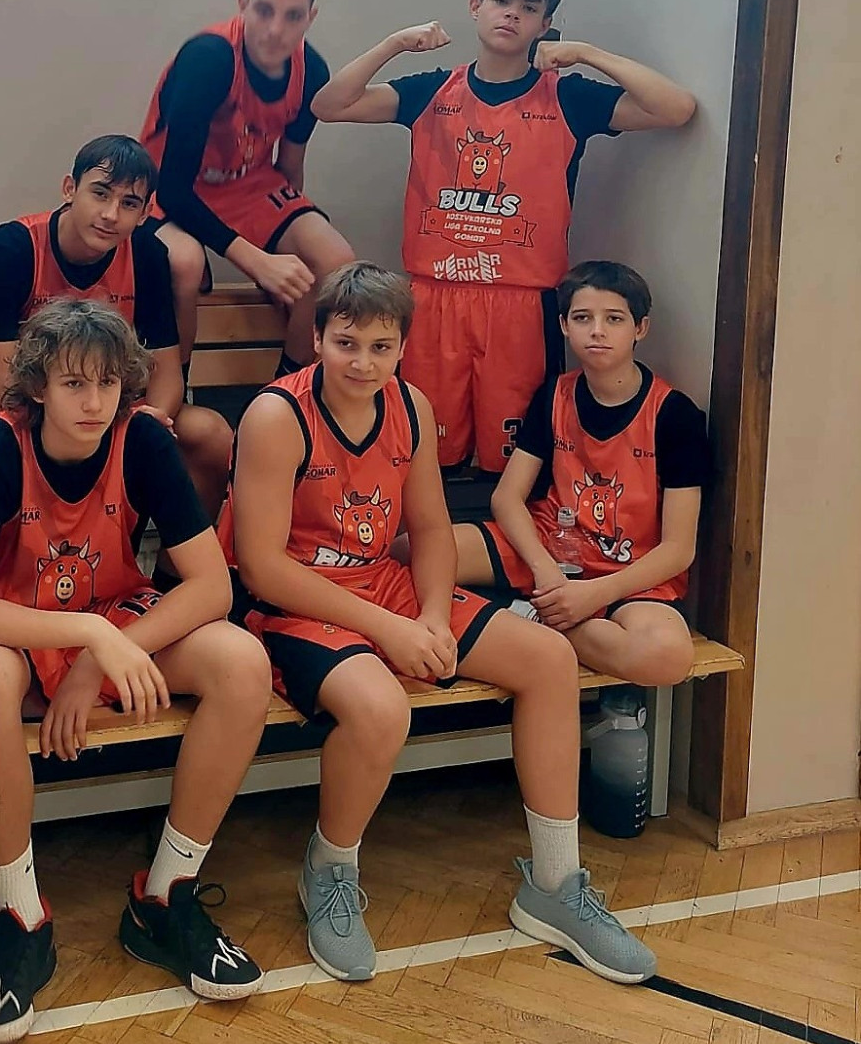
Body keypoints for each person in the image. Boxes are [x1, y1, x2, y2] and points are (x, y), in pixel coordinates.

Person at [227, 260, 656, 984]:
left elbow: (429, 529)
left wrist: (431, 615)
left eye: (381, 347)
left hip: (384, 584)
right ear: (317, 339)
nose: (362, 363)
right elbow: (262, 566)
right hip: (297, 599)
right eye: (346, 344)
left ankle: (555, 885)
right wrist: (390, 629)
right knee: (380, 709)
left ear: (402, 347)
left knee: (550, 659)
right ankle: (330, 870)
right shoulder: (276, 415)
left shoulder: (411, 406)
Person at [0, 298, 272, 1044]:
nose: (94, 402)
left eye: (108, 384)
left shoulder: (140, 439)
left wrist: (99, 655)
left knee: (243, 663)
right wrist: (87, 634)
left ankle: (164, 896)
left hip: (112, 620)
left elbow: (212, 587)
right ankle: (20, 917)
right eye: (74, 384)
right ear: (38, 387)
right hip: (17, 624)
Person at [311, 0, 696, 472]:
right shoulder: (433, 91)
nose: (512, 14)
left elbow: (676, 108)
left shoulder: (568, 97)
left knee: (512, 461)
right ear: (476, 6)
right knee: (424, 454)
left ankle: (503, 525)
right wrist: (394, 44)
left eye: (529, 8)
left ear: (544, 24)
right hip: (434, 296)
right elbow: (329, 105)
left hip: (522, 304)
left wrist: (586, 53)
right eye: (501, 0)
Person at [456, 261, 709, 687]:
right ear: (564, 326)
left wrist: (592, 595)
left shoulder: (674, 414)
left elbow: (678, 549)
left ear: (640, 328)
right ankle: (536, 614)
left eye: (614, 319)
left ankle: (531, 622)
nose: (597, 331)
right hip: (549, 550)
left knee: (665, 658)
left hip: (628, 572)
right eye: (582, 318)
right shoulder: (556, 393)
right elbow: (507, 498)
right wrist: (547, 573)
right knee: (417, 553)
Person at [0, 134, 232, 514]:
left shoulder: (147, 254)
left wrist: (150, 418)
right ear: (69, 189)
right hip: (32, 414)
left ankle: (179, 552)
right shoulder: (10, 250)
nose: (111, 214)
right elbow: (2, 388)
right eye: (100, 193)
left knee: (212, 434)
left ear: (145, 213)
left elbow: (166, 371)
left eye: (129, 203)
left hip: (114, 409)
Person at [138, 0, 354, 372]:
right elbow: (174, 189)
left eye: (293, 16)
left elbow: (289, 167)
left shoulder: (312, 71)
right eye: (264, 10)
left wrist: (283, 236)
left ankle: (289, 389)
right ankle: (176, 386)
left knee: (334, 261)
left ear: (311, 17)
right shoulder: (209, 58)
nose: (275, 30)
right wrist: (258, 261)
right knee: (185, 263)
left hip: (246, 182)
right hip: (169, 183)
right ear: (243, 5)